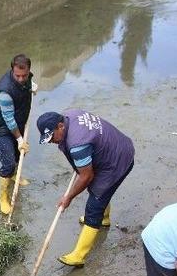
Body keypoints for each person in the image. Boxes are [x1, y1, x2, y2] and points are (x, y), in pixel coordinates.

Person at [37, 109, 134, 267]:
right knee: (97, 189)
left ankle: (79, 256)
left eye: (51, 137)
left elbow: (86, 176)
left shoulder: (77, 144)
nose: (50, 141)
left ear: (61, 126)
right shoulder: (71, 114)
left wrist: (68, 197)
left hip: (117, 161)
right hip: (116, 146)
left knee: (95, 203)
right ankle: (104, 219)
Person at [0, 54, 37, 215]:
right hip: (3, 128)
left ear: (29, 70)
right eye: (17, 75)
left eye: (25, 75)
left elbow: (26, 83)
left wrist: (31, 86)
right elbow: (9, 119)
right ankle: (3, 198)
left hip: (20, 122)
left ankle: (14, 175)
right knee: (8, 163)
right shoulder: (5, 90)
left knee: (19, 155)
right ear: (12, 70)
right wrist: (19, 139)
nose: (21, 79)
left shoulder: (27, 78)